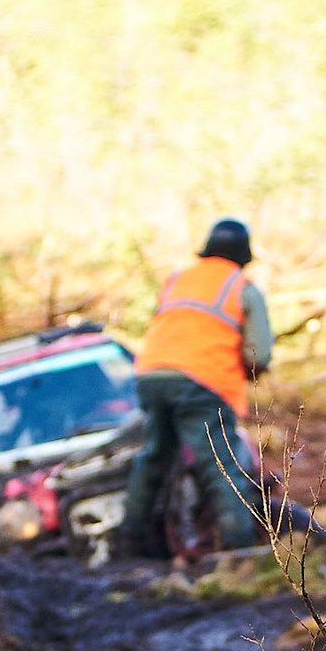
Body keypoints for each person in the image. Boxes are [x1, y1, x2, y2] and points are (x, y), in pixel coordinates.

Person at [122, 218, 275, 554]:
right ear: (243, 255)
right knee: (220, 464)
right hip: (201, 380)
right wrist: (251, 370)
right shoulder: (242, 286)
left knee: (154, 457)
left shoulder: (177, 279)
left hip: (151, 375)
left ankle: (127, 544)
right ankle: (240, 554)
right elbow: (259, 354)